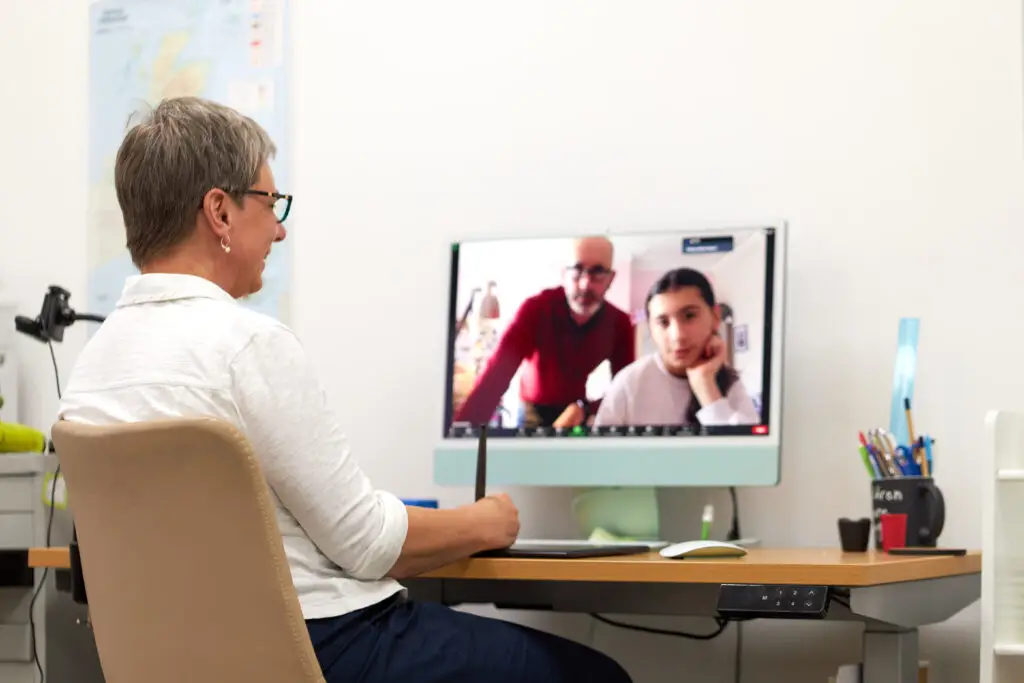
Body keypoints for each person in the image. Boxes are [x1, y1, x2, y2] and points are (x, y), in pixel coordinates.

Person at [56, 97, 631, 683]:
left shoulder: (93, 367)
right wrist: (489, 522)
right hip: (320, 648)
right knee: (596, 676)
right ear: (220, 212)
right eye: (269, 203)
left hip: (180, 663)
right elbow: (365, 542)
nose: (279, 228)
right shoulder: (246, 345)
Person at [453, 237, 635, 429]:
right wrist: (459, 435)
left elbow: (625, 389)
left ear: (611, 278)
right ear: (564, 274)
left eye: (597, 272)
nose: (585, 284)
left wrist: (587, 408)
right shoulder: (536, 310)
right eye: (576, 270)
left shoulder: (620, 324)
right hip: (531, 412)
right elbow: (497, 373)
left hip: (574, 413)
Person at [594, 267, 759, 428]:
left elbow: (745, 454)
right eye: (663, 322)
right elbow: (600, 452)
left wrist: (706, 387)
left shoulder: (730, 385)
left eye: (689, 316)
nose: (678, 335)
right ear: (651, 329)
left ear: (715, 317)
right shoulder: (629, 383)